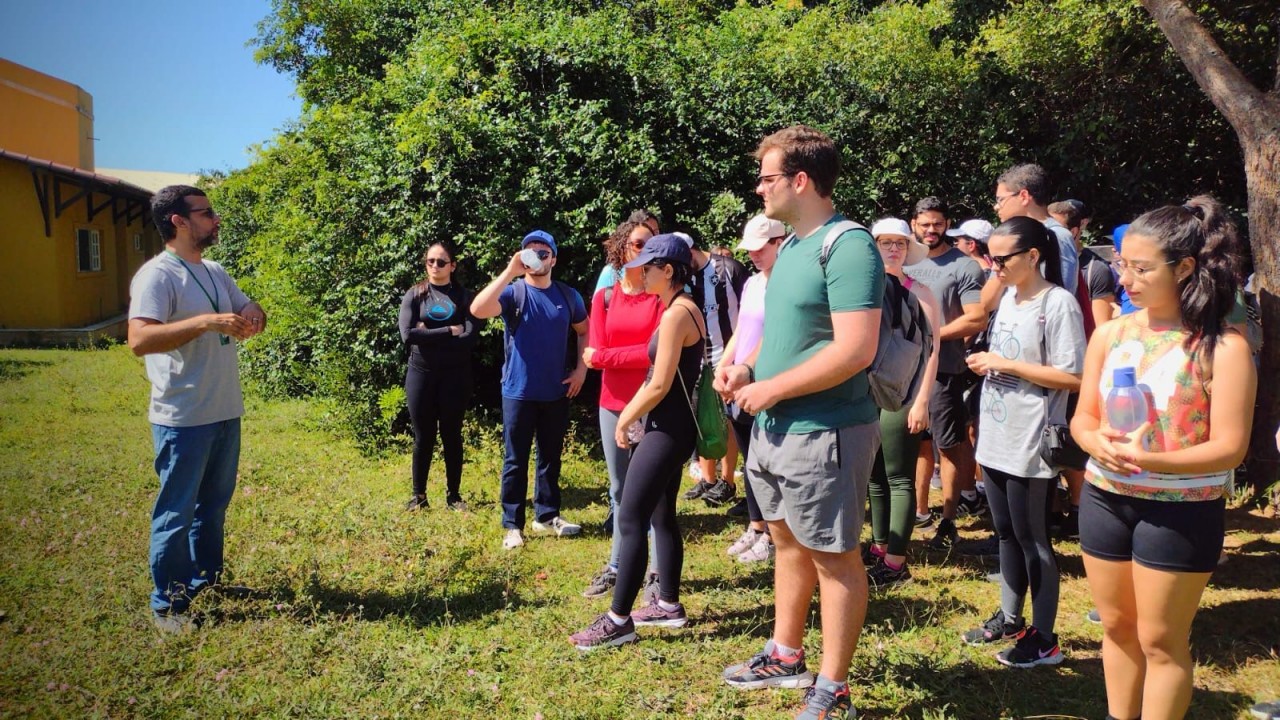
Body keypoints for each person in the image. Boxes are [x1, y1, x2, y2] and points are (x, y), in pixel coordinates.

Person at [717, 125, 884, 720]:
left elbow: (855, 350)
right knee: (786, 540)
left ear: (801, 180)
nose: (759, 188)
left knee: (834, 556)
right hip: (775, 427)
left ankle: (832, 686)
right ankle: (786, 656)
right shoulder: (788, 248)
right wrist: (745, 370)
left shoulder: (848, 246)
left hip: (826, 431)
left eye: (767, 178)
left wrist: (770, 388)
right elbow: (788, 337)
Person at [1071, 196, 1255, 720]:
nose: (1125, 278)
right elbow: (1083, 418)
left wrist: (1153, 464)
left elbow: (1230, 447)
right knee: (1116, 628)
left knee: (1160, 640)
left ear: (1186, 267)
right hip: (1105, 498)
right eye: (1121, 264)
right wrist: (1095, 444)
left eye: (1141, 268)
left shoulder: (1223, 347)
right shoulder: (1110, 335)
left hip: (1181, 507)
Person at [127, 185, 267, 633]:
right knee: (176, 511)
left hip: (224, 409)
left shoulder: (214, 270)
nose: (216, 219)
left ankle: (204, 582)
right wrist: (207, 322)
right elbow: (140, 340)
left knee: (214, 506)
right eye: (206, 213)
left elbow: (242, 303)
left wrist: (253, 310)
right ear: (179, 222)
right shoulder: (158, 276)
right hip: (183, 417)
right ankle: (167, 605)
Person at [569, 234, 706, 650]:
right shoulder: (681, 308)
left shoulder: (676, 314)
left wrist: (625, 418)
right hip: (674, 427)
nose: (640, 271)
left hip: (665, 430)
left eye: (648, 266)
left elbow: (660, 382)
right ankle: (667, 605)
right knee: (662, 515)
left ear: (668, 271)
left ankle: (618, 620)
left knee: (630, 517)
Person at [962, 217, 1084, 668]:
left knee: (1035, 540)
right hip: (997, 434)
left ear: (1033, 256)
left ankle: (1045, 637)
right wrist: (988, 364)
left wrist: (1005, 365)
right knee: (1006, 534)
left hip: (1032, 439)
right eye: (990, 258)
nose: (993, 267)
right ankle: (1011, 617)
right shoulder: (1009, 299)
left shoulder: (1058, 304)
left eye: (1002, 259)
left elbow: (1073, 376)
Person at [471, 230, 588, 550]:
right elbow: (478, 310)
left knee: (550, 458)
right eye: (530, 252)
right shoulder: (513, 292)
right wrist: (510, 271)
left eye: (544, 252)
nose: (538, 257)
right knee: (515, 460)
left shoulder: (568, 295)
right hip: (518, 391)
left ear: (554, 258)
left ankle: (547, 516)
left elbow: (584, 330)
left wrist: (581, 369)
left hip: (556, 391)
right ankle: (512, 524)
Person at [580, 220, 663, 598]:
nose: (642, 249)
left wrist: (613, 356)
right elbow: (592, 357)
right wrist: (628, 355)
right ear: (622, 247)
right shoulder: (605, 298)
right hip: (612, 404)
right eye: (636, 242)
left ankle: (658, 573)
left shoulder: (662, 298)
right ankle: (618, 563)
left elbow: (657, 355)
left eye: (649, 243)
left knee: (656, 493)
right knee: (619, 489)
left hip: (652, 402)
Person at [903, 197, 989, 548]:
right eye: (924, 224)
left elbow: (976, 316)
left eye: (937, 223)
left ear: (947, 224)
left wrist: (933, 334)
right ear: (913, 225)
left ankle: (950, 519)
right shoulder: (903, 261)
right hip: (901, 371)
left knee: (947, 446)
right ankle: (914, 514)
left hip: (943, 371)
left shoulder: (964, 266)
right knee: (910, 447)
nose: (931, 230)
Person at [865, 218, 941, 589]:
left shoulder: (921, 291)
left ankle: (896, 562)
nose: (894, 249)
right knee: (874, 475)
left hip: (905, 393)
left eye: (900, 243)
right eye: (886, 243)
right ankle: (880, 547)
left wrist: (922, 399)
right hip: (869, 391)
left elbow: (932, 351)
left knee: (898, 476)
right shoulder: (867, 288)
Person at [715, 213, 786, 563]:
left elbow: (775, 336)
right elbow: (742, 331)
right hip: (738, 380)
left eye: (761, 248)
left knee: (767, 461)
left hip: (764, 381)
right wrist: (724, 366)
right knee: (749, 459)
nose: (754, 255)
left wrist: (745, 371)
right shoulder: (753, 283)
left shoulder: (787, 283)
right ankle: (757, 526)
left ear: (779, 243)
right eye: (750, 249)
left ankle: (774, 534)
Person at [398, 241, 476, 512]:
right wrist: (447, 331)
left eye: (441, 262)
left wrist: (427, 332)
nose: (435, 266)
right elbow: (408, 335)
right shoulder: (415, 294)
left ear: (452, 266)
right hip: (421, 375)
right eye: (430, 261)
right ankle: (418, 496)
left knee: (452, 434)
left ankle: (454, 496)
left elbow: (468, 337)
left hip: (455, 377)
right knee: (423, 436)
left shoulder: (464, 297)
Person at [683, 232, 749, 506]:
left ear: (691, 250)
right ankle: (707, 480)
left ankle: (728, 482)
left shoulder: (729, 268)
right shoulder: (684, 276)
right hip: (698, 357)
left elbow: (751, 311)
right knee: (702, 416)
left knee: (731, 420)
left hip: (731, 354)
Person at [990, 163, 1079, 294]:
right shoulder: (1010, 234)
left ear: (1024, 197)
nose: (996, 207)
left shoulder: (1058, 235)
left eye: (1000, 200)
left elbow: (1063, 292)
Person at [595, 209, 661, 292]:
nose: (652, 238)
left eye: (656, 232)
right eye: (639, 244)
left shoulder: (664, 273)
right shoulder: (610, 273)